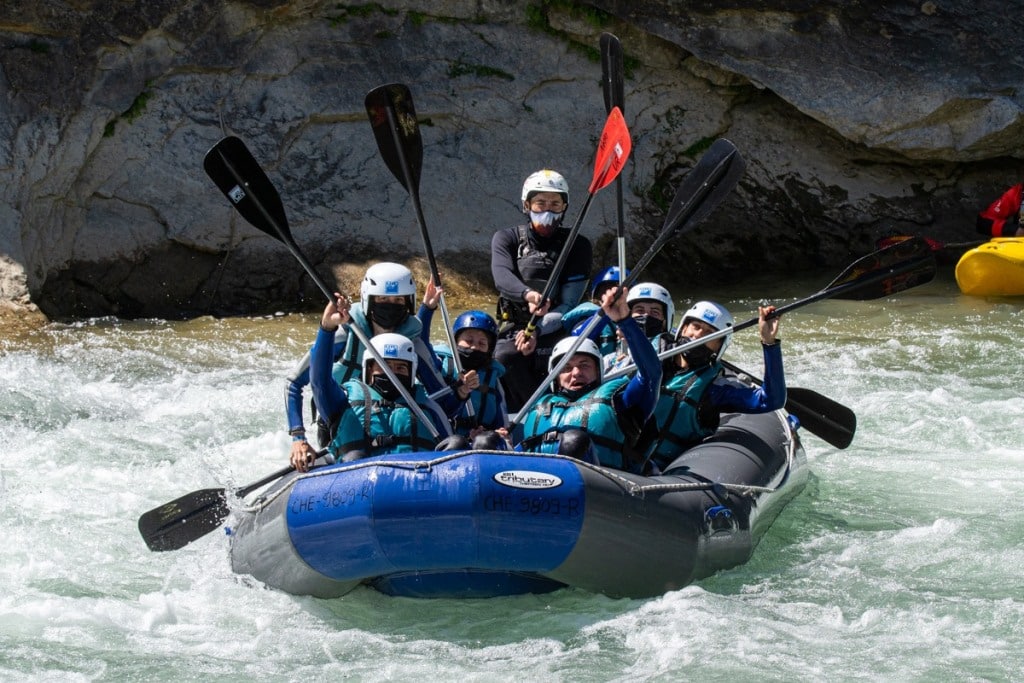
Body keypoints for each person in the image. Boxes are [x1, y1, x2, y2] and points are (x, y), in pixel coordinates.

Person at [285, 261, 439, 470]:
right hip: (342, 421)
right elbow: (295, 383)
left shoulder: (412, 342)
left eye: (398, 300)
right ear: (369, 300)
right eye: (383, 299)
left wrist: (428, 310)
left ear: (408, 302)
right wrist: (298, 437)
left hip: (398, 422)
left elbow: (440, 393)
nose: (390, 305)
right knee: (353, 454)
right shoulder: (343, 335)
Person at [512, 285, 661, 471]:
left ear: (598, 371)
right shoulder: (542, 403)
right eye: (566, 368)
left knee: (574, 442)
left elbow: (651, 374)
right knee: (487, 440)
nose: (576, 373)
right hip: (537, 486)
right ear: (556, 376)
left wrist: (624, 320)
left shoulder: (621, 400)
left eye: (584, 365)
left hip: (602, 489)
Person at [304, 295, 453, 469]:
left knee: (456, 442)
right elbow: (319, 381)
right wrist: (327, 329)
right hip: (359, 487)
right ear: (368, 369)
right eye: (385, 366)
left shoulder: (428, 406)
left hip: (418, 483)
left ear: (411, 371)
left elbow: (451, 451)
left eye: (400, 368)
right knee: (354, 457)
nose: (392, 373)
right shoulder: (343, 402)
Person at [639, 300, 785, 472]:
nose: (699, 335)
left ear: (719, 345)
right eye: (696, 326)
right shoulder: (646, 359)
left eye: (710, 333)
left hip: (658, 474)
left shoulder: (715, 388)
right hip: (617, 456)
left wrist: (768, 342)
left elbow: (770, 400)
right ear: (683, 328)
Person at [491, 169, 593, 412]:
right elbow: (501, 276)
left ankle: (558, 411)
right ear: (527, 205)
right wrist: (527, 295)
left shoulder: (578, 245)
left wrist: (536, 329)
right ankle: (519, 415)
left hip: (557, 325)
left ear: (564, 207)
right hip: (516, 327)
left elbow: (568, 304)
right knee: (505, 357)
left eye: (555, 204)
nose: (548, 210)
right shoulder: (507, 238)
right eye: (541, 203)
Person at [417, 277, 509, 441]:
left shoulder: (492, 377)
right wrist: (427, 308)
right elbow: (420, 344)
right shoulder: (442, 365)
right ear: (455, 341)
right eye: (469, 340)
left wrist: (498, 435)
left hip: (481, 443)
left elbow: (501, 422)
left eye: (482, 343)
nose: (474, 347)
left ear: (490, 349)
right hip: (446, 441)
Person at [602, 281, 675, 373]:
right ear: (629, 314)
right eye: (640, 310)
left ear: (665, 321)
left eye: (655, 312)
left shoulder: (672, 352)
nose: (646, 315)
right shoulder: (609, 360)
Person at [561, 265, 628, 356]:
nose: (613, 297)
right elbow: (577, 341)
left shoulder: (638, 316)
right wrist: (606, 311)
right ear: (596, 296)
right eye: (605, 291)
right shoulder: (589, 315)